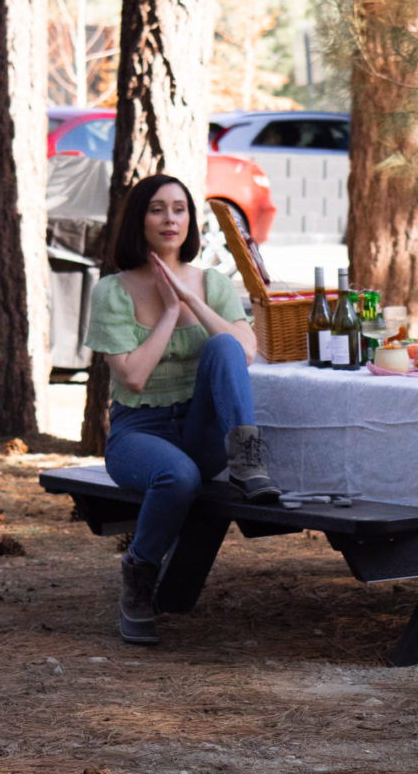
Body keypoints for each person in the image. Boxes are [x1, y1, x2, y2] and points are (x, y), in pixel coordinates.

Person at [84, 174, 279, 646]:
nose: (170, 219)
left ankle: (247, 461)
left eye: (179, 209)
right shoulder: (113, 290)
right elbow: (132, 376)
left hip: (201, 429)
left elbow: (244, 352)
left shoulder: (213, 283)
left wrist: (191, 298)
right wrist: (170, 312)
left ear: (190, 220)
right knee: (178, 476)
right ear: (139, 219)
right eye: (157, 209)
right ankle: (139, 575)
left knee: (225, 347)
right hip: (139, 432)